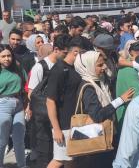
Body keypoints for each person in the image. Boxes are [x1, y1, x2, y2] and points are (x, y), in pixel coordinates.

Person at [74, 51, 134, 168]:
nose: (104, 67)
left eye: (103, 64)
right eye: (99, 65)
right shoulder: (88, 87)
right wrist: (120, 100)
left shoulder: (100, 82)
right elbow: (97, 115)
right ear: (89, 66)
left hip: (105, 139)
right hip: (95, 143)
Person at [27, 34, 71, 168]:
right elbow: (31, 94)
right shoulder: (40, 67)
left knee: (60, 154)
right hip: (44, 120)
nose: (66, 55)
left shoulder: (64, 64)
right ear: (56, 49)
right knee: (45, 154)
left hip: (60, 117)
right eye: (64, 52)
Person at [45, 37, 83, 168]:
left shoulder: (74, 68)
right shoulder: (59, 69)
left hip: (73, 122)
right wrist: (56, 129)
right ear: (75, 52)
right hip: (63, 124)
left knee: (70, 160)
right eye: (81, 53)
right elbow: (50, 101)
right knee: (59, 160)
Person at [0, 44, 28, 168]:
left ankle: (22, 165)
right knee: (2, 141)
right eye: (3, 56)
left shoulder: (18, 68)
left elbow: (26, 87)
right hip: (3, 105)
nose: (7, 59)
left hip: (19, 104)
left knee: (19, 140)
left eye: (9, 55)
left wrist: (27, 105)